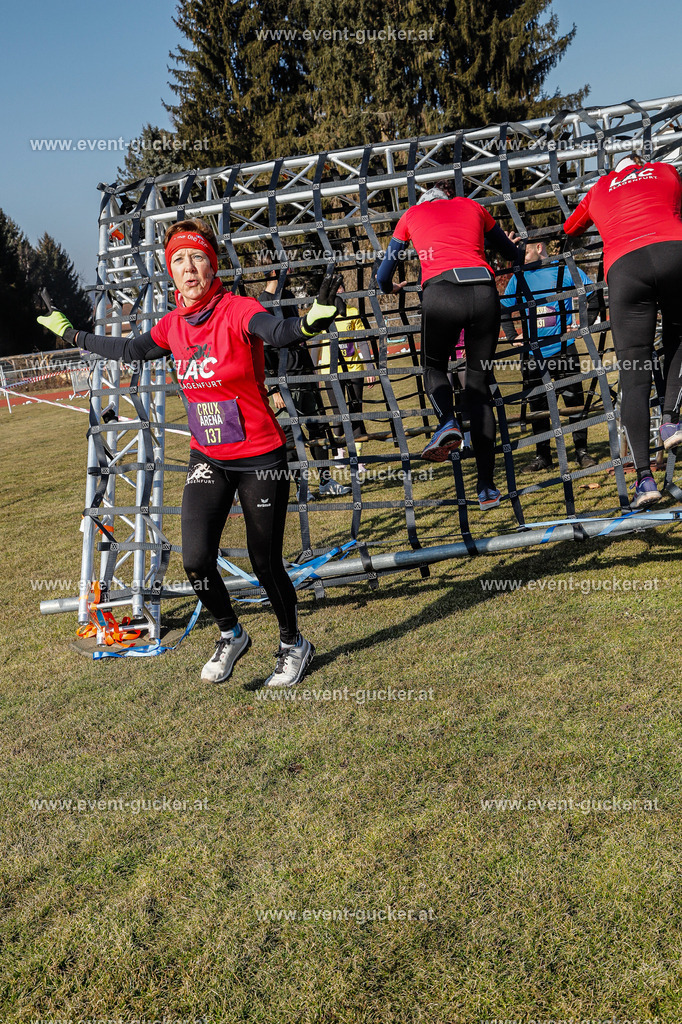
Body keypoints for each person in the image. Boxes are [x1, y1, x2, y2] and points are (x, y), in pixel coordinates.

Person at [37, 219, 345, 686]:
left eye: (198, 257)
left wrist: (308, 323)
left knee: (265, 563)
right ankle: (231, 634)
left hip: (261, 457)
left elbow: (279, 331)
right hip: (209, 457)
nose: (188, 268)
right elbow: (129, 349)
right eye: (178, 260)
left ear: (212, 265)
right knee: (197, 560)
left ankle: (292, 644)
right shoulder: (171, 326)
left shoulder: (237, 309)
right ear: (171, 272)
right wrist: (72, 334)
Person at [376, 180, 523, 510]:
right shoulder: (473, 206)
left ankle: (447, 421)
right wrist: (509, 248)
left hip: (441, 291)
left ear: (424, 201)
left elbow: (383, 275)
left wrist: (390, 287)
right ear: (449, 197)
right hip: (483, 290)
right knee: (479, 387)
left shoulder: (411, 215)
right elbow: (511, 252)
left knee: (433, 368)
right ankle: (487, 487)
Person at [564, 152, 682, 508]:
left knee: (634, 373)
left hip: (625, 267)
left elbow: (570, 229)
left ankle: (644, 478)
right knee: (679, 337)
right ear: (641, 163)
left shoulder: (599, 188)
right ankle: (671, 420)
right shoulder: (664, 171)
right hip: (673, 251)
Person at [501, 239, 599, 471]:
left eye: (525, 252)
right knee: (538, 408)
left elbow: (593, 294)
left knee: (574, 402)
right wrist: (512, 336)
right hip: (532, 355)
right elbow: (503, 308)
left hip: (564, 349)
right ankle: (543, 457)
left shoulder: (563, 270)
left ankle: (582, 452)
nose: (521, 257)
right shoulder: (518, 277)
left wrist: (582, 325)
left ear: (539, 247)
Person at [257, 266, 349, 497]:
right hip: (283, 380)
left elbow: (300, 335)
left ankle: (325, 481)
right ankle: (301, 487)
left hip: (304, 374)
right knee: (290, 433)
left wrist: (311, 371)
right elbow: (262, 351)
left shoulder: (289, 297)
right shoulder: (261, 303)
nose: (290, 272)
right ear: (273, 271)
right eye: (285, 268)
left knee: (318, 426)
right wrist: (274, 388)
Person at [314, 286, 378, 473]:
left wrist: (369, 366)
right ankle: (340, 453)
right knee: (338, 412)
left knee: (355, 410)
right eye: (335, 289)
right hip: (330, 371)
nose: (339, 293)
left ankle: (358, 458)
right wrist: (314, 372)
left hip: (354, 369)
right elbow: (316, 344)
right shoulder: (322, 313)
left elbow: (361, 341)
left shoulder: (352, 312)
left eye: (341, 289)